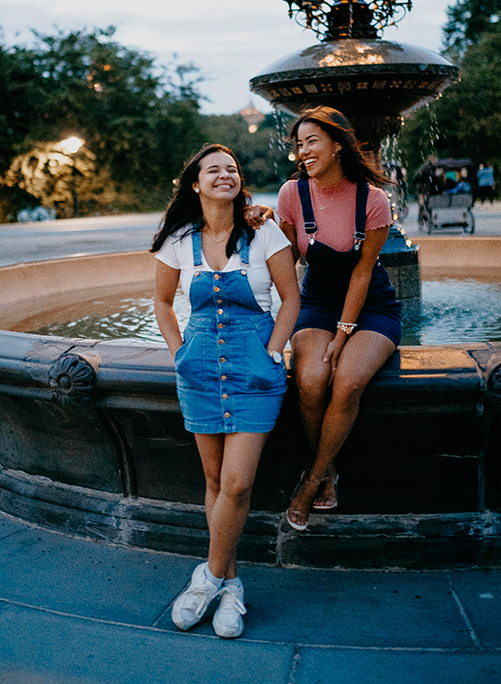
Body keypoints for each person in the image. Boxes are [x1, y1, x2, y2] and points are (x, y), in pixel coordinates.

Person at [152, 145, 300, 638]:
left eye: (232, 168)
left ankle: (206, 579)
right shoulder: (178, 239)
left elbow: (291, 298)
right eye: (213, 169)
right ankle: (232, 587)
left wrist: (275, 351)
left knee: (236, 484)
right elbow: (161, 301)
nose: (225, 175)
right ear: (195, 183)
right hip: (198, 367)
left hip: (254, 368)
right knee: (215, 482)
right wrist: (178, 352)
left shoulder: (263, 231)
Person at [276, 107, 401, 529]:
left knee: (347, 381)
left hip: (371, 307)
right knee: (310, 379)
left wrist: (344, 334)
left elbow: (364, 271)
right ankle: (327, 469)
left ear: (336, 144)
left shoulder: (374, 199)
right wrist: (257, 222)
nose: (303, 151)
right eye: (299, 144)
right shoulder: (292, 194)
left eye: (312, 141)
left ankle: (313, 479)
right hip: (316, 304)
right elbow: (282, 258)